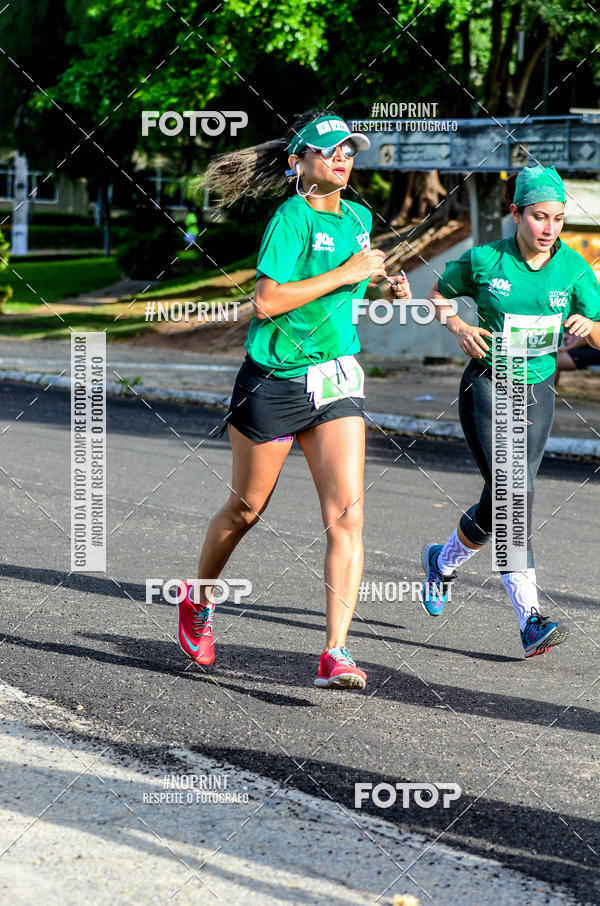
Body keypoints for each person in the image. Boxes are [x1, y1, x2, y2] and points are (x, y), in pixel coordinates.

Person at [176, 109, 411, 688]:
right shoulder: (291, 218)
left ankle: (336, 651)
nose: (342, 158)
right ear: (297, 163)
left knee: (348, 517)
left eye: (349, 150)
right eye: (329, 150)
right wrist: (349, 271)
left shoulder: (357, 217)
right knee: (247, 510)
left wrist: (382, 280)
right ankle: (197, 602)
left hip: (335, 381)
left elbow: (345, 278)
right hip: (274, 380)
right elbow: (267, 302)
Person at [421, 166, 600, 657]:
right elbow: (437, 296)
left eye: (559, 219)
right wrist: (457, 324)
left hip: (536, 391)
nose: (549, 229)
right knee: (512, 498)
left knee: (502, 499)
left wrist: (588, 327)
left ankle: (443, 561)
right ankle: (530, 619)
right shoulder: (484, 260)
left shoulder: (576, 270)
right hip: (486, 384)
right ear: (515, 212)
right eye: (539, 217)